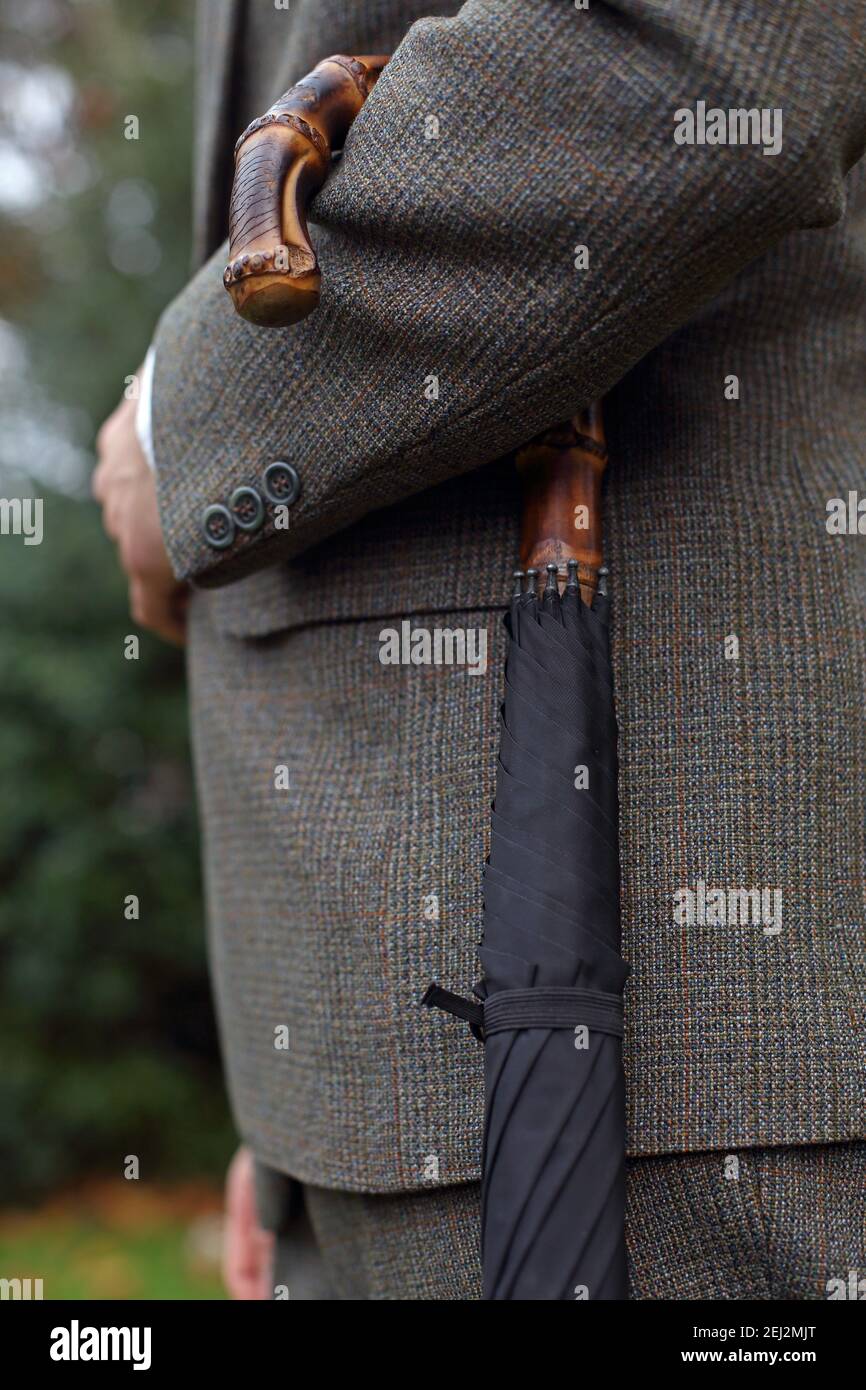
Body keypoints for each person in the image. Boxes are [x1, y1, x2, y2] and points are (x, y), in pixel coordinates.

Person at [93, 0, 866, 1300]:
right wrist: (313, 1098)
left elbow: (694, 42)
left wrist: (185, 426)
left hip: (684, 1075)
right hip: (376, 1082)